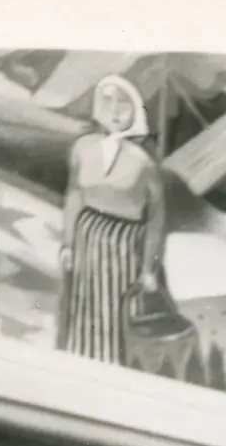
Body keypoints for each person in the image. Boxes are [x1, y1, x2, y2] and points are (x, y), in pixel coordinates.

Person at [58, 74, 168, 364]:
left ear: (135, 109)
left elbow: (156, 220)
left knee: (116, 313)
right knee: (83, 308)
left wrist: (149, 269)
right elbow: (74, 194)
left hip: (124, 248)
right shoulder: (82, 148)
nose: (115, 110)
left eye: (123, 102)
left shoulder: (143, 163)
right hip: (86, 240)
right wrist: (67, 244)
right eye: (108, 101)